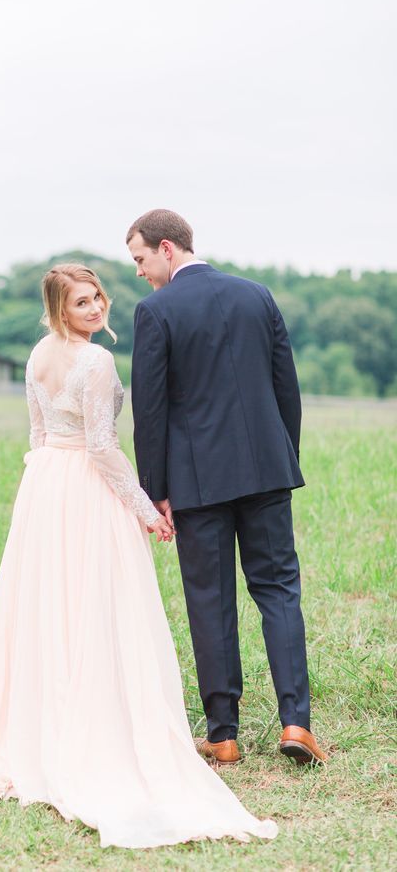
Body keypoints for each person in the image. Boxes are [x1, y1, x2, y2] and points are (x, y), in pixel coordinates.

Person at [0, 262, 278, 848]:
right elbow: (102, 448)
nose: (97, 308)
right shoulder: (95, 361)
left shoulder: (35, 355)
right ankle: (95, 729)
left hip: (45, 487)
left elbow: (36, 435)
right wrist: (146, 509)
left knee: (51, 607)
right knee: (99, 607)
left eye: (98, 296)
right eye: (81, 303)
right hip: (86, 489)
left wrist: (43, 490)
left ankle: (44, 729)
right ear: (59, 310)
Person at [127, 208, 327, 766]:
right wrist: (280, 455)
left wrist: (156, 490)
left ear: (168, 249)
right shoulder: (256, 296)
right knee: (280, 591)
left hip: (197, 484)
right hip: (267, 471)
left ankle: (224, 734)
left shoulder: (155, 312)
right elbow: (286, 386)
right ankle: (296, 724)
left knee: (211, 602)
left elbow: (151, 410)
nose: (139, 272)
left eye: (141, 259)